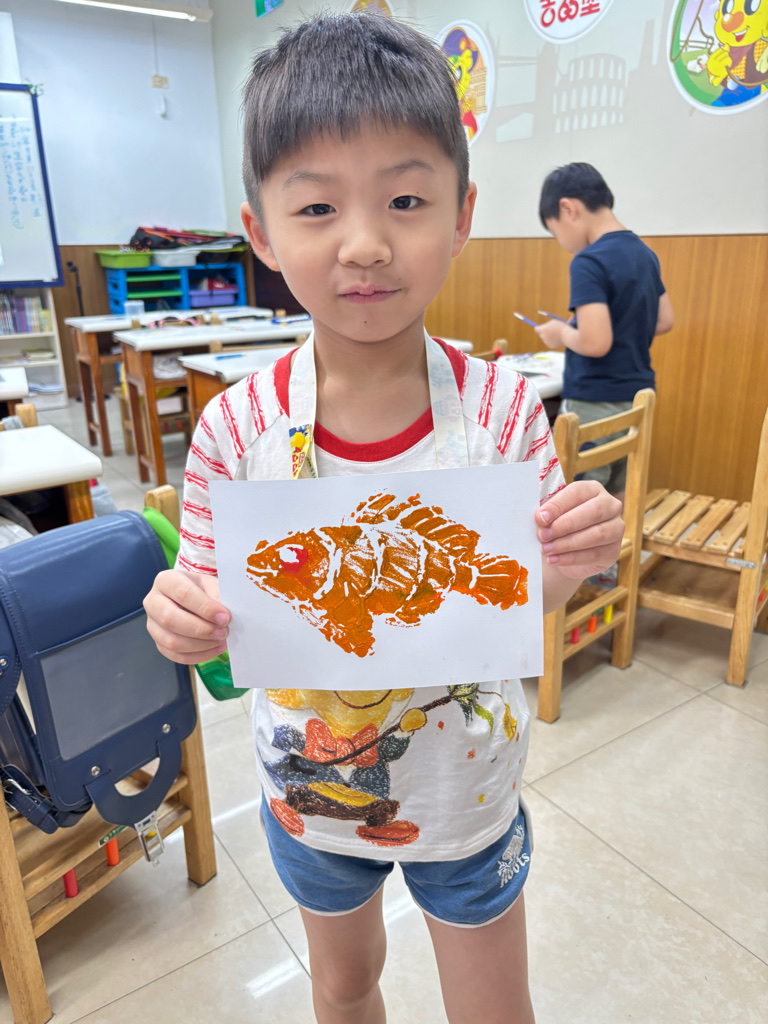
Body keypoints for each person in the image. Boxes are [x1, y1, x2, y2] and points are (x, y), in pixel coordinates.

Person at [143, 14, 623, 1024]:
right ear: (262, 232)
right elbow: (212, 601)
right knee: (343, 983)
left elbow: (525, 595)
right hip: (308, 799)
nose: (364, 243)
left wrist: (572, 557)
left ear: (461, 213)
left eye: (405, 199)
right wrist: (184, 617)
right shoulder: (236, 428)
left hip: (468, 799)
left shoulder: (502, 412)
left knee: (494, 1009)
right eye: (317, 206)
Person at [535, 162, 674, 498]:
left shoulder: (589, 261)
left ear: (568, 209)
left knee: (577, 500)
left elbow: (595, 343)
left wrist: (561, 333)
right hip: (636, 397)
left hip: (593, 402)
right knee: (617, 497)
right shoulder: (644, 253)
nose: (562, 243)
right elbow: (664, 320)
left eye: (555, 232)